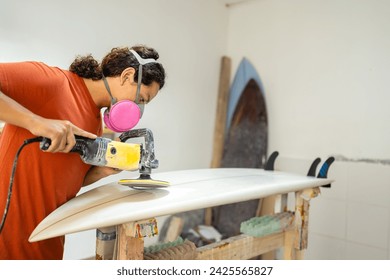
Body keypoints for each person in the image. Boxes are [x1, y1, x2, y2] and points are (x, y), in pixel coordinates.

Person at [0, 45, 166, 259]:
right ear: (127, 75)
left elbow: (66, 182)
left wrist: (102, 171)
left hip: (45, 243)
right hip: (7, 237)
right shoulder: (54, 82)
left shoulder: (95, 123)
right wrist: (36, 122)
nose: (139, 108)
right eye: (142, 99)